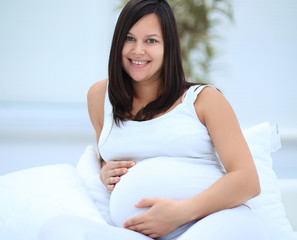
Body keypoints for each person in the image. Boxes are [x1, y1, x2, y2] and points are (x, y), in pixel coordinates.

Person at [39, 0, 269, 239]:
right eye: (129, 38)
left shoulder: (203, 100)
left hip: (215, 222)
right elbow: (105, 156)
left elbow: (248, 181)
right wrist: (105, 170)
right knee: (56, 229)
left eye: (151, 40)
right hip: (141, 233)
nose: (138, 50)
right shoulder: (99, 97)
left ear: (168, 46)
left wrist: (180, 213)